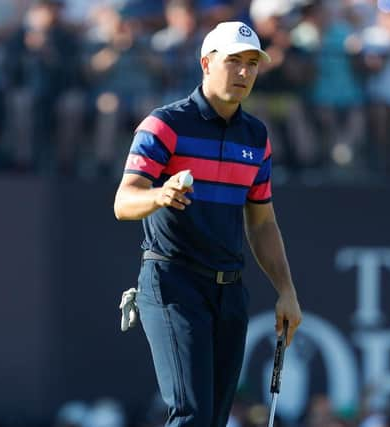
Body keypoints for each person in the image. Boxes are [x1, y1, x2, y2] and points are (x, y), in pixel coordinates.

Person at [113, 20, 302, 427]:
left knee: (214, 419)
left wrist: (285, 290)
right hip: (172, 281)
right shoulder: (165, 124)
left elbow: (263, 222)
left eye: (252, 63)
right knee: (192, 415)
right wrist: (159, 195)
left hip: (229, 291)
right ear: (206, 63)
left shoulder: (256, 136)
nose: (244, 72)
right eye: (234, 61)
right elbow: (124, 201)